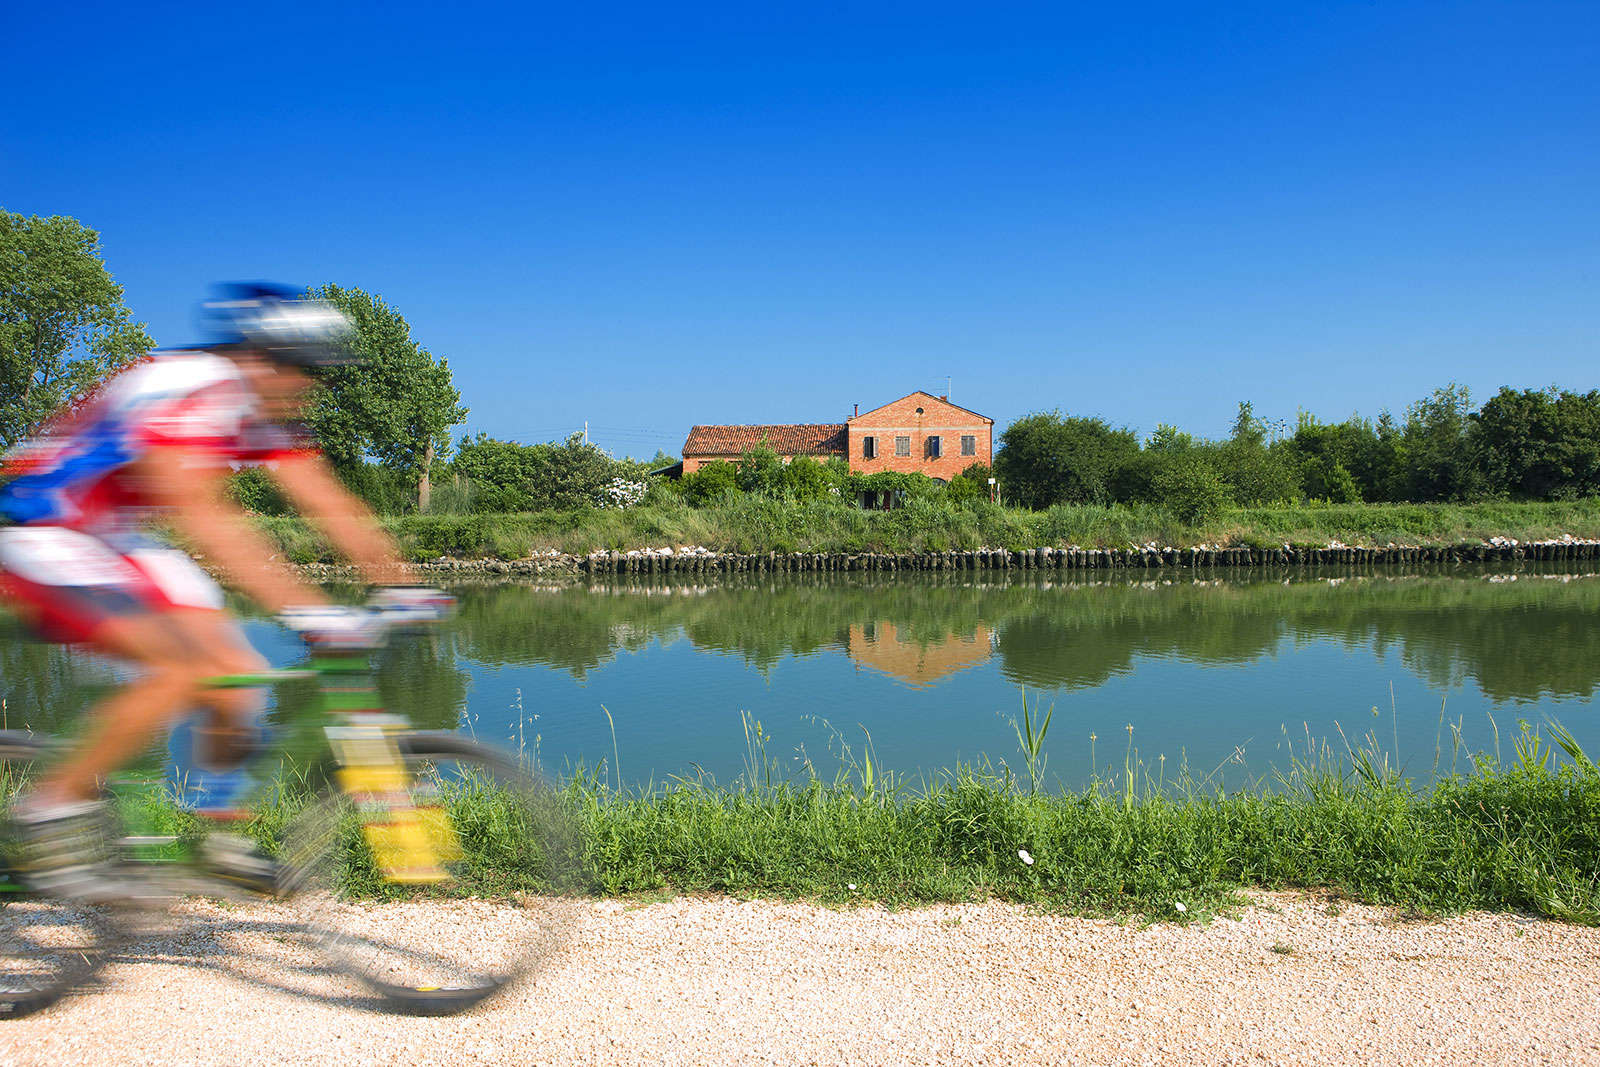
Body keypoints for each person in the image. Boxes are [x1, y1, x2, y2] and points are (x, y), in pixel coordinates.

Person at [0, 282, 427, 896]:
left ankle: (216, 833)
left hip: (114, 535)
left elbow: (325, 501)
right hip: (46, 528)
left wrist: (401, 583)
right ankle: (46, 809)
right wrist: (309, 611)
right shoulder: (187, 387)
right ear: (263, 358)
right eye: (308, 371)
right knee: (180, 666)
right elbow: (204, 517)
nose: (315, 386)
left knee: (239, 674)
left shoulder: (262, 410)